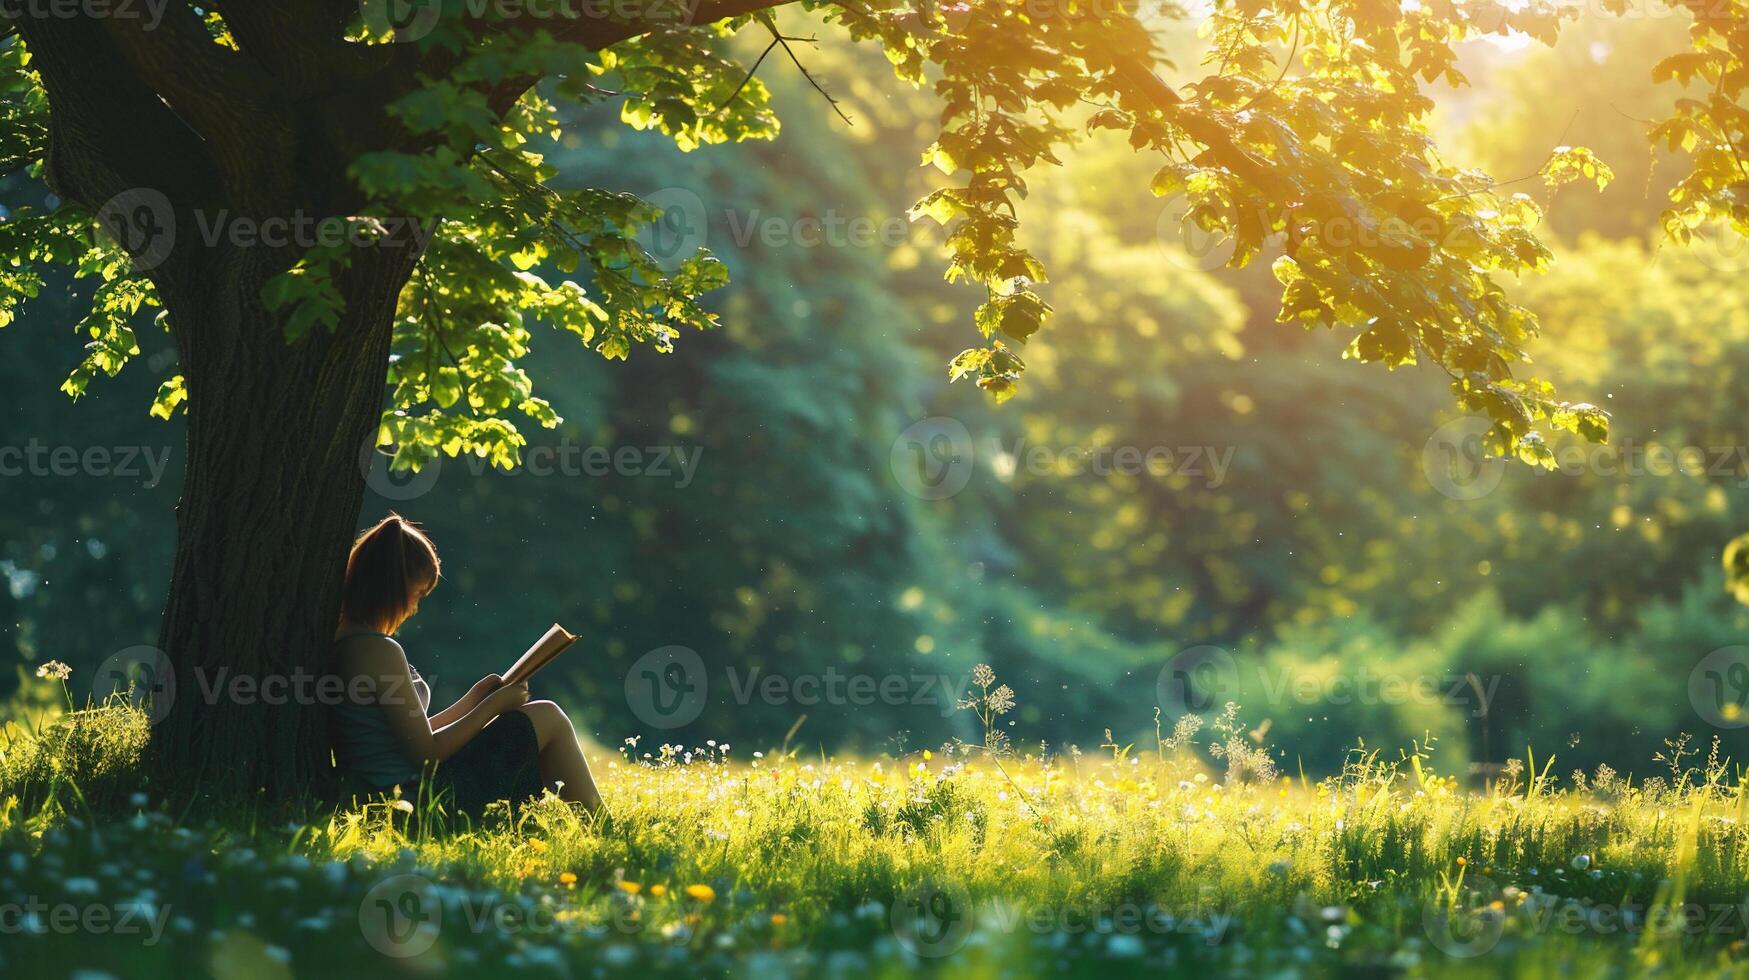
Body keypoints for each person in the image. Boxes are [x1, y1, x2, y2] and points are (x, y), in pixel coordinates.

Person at [328, 513, 602, 817]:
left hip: (403, 791)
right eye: (415, 595)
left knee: (542, 717)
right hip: (414, 803)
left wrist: (474, 700)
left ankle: (597, 825)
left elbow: (410, 737)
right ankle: (604, 827)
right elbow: (427, 754)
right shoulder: (376, 650)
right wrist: (491, 708)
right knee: (548, 716)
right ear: (392, 589)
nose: (415, 608)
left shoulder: (353, 642)